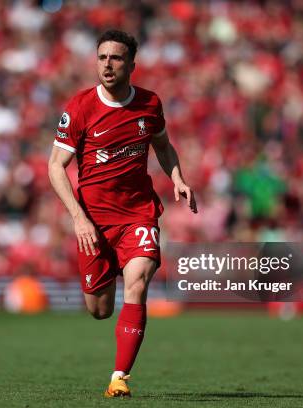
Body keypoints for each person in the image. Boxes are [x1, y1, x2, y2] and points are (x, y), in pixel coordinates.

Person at [48, 29, 197, 397]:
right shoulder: (80, 107)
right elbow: (55, 166)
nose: (108, 64)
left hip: (138, 215)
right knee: (99, 310)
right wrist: (78, 218)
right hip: (94, 223)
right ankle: (108, 284)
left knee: (139, 282)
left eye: (115, 58)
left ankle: (119, 377)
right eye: (102, 58)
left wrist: (177, 177)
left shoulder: (149, 104)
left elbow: (163, 145)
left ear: (132, 64)